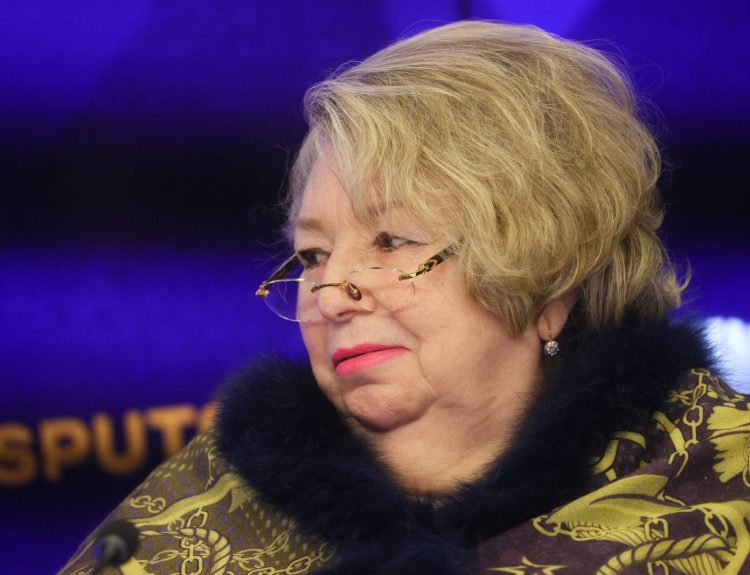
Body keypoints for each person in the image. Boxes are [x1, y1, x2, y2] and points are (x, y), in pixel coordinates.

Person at [60, 20, 750, 575]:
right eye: (313, 255)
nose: (331, 295)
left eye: (392, 241)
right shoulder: (190, 517)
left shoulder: (720, 483)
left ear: (548, 282)